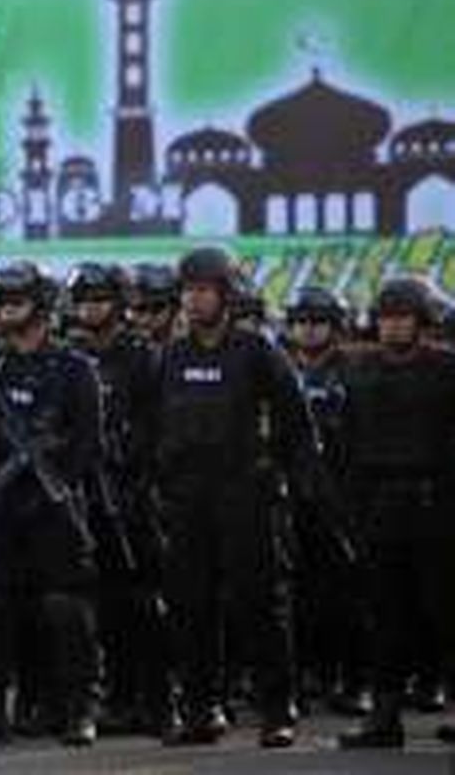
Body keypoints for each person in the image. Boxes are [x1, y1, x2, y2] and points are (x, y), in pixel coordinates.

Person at [153, 247, 311, 749]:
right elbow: (151, 425)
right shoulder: (172, 356)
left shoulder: (256, 351)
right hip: (188, 502)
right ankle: (202, 710)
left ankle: (277, 709)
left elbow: (297, 424)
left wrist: (277, 476)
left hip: (246, 496)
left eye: (203, 289)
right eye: (188, 290)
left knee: (260, 605)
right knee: (190, 607)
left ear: (226, 295)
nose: (193, 299)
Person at [0, 261, 103, 747]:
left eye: (17, 300)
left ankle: (77, 708)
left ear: (41, 307)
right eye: (4, 301)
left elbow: (87, 446)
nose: (7, 308)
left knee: (63, 605)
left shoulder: (74, 369)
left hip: (53, 503)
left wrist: (54, 478)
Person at [338, 278, 455, 749]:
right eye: (386, 318)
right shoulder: (360, 372)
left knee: (446, 611)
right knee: (386, 616)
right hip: (380, 506)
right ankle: (384, 718)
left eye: (403, 317)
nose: (392, 327)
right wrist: (351, 508)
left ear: (423, 321)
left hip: (438, 506)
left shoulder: (448, 371)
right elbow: (347, 445)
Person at [65, 263, 175, 738]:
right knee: (103, 604)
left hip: (135, 493)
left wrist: (137, 474)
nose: (91, 307)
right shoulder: (69, 358)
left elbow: (160, 427)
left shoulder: (143, 357)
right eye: (84, 299)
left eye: (101, 298)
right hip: (87, 494)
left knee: (146, 603)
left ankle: (158, 701)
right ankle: (118, 698)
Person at [283, 288, 370, 717]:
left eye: (317, 321)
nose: (307, 329)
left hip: (344, 496)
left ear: (336, 326)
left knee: (350, 597)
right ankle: (304, 678)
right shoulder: (279, 370)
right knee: (296, 596)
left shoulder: (355, 370)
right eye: (300, 321)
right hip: (292, 497)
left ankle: (356, 682)